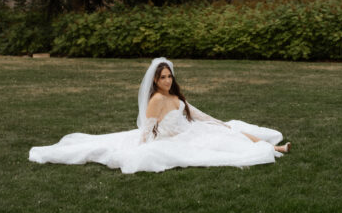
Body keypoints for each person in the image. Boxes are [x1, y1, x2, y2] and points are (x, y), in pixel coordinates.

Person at [29, 57, 289, 174]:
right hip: (174, 139)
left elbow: (196, 113)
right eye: (162, 77)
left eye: (169, 76)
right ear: (155, 79)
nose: (167, 80)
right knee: (223, 145)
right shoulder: (156, 100)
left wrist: (218, 122)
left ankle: (274, 146)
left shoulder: (175, 96)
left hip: (191, 131)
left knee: (227, 130)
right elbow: (147, 129)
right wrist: (142, 147)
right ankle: (274, 148)